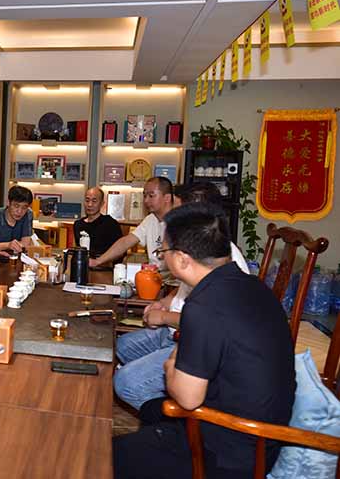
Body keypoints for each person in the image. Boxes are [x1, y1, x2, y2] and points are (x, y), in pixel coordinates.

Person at [114, 203, 295, 479]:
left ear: (182, 259)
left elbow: (187, 397)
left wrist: (171, 365)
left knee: (102, 457)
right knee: (152, 411)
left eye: (163, 252)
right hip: (263, 440)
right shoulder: (251, 286)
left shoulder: (204, 306)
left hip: (228, 450)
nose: (162, 258)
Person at [114, 182, 250, 412]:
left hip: (189, 340)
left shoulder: (220, 262)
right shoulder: (201, 251)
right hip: (176, 332)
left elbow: (205, 324)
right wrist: (163, 303)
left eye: (177, 211)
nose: (171, 217)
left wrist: (164, 319)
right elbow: (184, 291)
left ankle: (168, 419)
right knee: (122, 346)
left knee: (126, 382)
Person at [89, 176, 174, 270]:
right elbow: (125, 242)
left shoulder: (181, 222)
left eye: (151, 196)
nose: (146, 200)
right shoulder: (150, 219)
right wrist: (98, 261)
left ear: (167, 198)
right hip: (153, 275)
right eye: (144, 196)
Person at [73, 186, 123, 261]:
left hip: (104, 265)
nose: (90, 204)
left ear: (102, 203)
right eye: (87, 200)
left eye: (94, 201)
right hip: (83, 264)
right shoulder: (78, 224)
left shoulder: (110, 224)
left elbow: (120, 252)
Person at [0, 185, 34, 253]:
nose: (19, 211)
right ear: (8, 202)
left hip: (17, 256)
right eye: (16, 206)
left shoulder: (28, 214)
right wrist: (8, 245)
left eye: (24, 207)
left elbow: (25, 243)